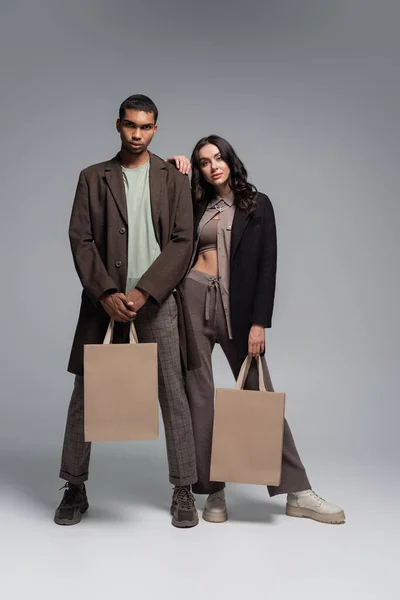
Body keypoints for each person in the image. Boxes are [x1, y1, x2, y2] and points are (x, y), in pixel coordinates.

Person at [182, 134, 345, 525]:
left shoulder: (257, 205)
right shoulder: (194, 204)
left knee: (258, 396)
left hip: (236, 311)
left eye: (218, 157)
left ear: (230, 160)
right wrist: (174, 166)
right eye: (204, 162)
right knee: (199, 400)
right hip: (191, 300)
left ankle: (297, 491)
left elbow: (267, 268)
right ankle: (213, 491)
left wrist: (259, 323)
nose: (213, 165)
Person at [55, 94, 200, 529]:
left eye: (146, 127)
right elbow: (79, 239)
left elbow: (182, 241)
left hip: (156, 303)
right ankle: (75, 487)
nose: (137, 134)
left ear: (156, 129)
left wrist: (146, 291)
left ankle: (183, 489)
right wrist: (105, 293)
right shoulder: (91, 177)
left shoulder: (173, 179)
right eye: (130, 125)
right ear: (118, 125)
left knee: (172, 393)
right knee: (86, 393)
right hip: (103, 306)